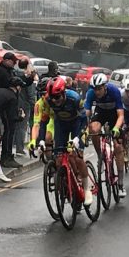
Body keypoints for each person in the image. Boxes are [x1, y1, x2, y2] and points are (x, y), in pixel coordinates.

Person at [0, 52, 35, 168]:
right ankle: (6, 157)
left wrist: (29, 79)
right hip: (5, 105)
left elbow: (20, 81)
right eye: (13, 61)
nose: (15, 63)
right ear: (6, 60)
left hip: (10, 103)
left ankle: (8, 155)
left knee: (11, 130)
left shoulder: (8, 71)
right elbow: (13, 82)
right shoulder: (1, 72)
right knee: (8, 130)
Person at [46, 76, 92, 205]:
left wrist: (78, 138)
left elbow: (84, 120)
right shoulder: (49, 100)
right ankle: (68, 185)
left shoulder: (75, 98)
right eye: (52, 98)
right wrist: (41, 140)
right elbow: (44, 121)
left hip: (77, 125)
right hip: (61, 125)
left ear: (63, 92)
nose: (55, 101)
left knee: (76, 156)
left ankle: (86, 188)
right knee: (59, 159)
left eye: (57, 97)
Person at [85, 74, 126, 197]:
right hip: (101, 112)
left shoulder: (114, 91)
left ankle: (120, 184)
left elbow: (121, 115)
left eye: (99, 89)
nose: (97, 92)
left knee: (118, 147)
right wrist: (85, 130)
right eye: (95, 89)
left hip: (115, 115)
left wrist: (116, 128)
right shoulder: (91, 93)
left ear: (105, 86)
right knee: (94, 128)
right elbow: (86, 113)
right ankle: (100, 157)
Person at [14, 59, 37, 156]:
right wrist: (33, 104)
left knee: (16, 126)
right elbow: (31, 93)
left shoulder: (15, 74)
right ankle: (20, 149)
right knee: (22, 127)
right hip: (25, 104)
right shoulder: (27, 77)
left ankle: (15, 146)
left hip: (15, 102)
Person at [27, 77, 54, 159]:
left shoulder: (58, 100)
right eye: (41, 94)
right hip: (48, 122)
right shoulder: (39, 104)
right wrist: (33, 140)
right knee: (46, 140)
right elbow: (36, 124)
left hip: (60, 121)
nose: (43, 97)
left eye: (45, 93)